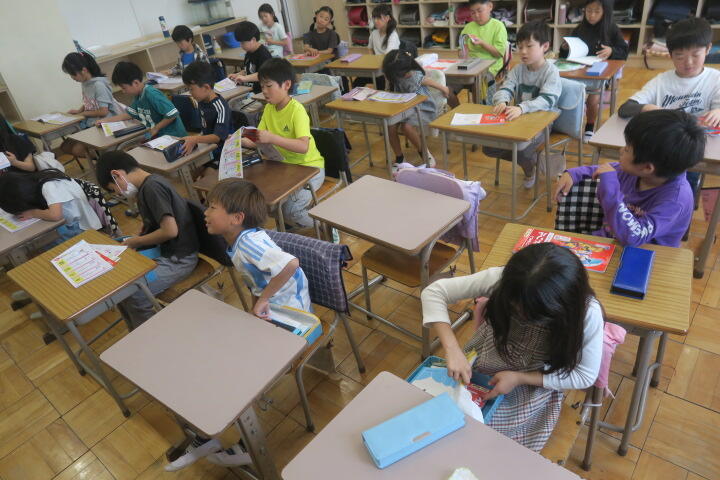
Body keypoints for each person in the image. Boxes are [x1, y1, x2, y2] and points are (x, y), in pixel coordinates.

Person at [163, 177, 312, 472]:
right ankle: (207, 436)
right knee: (216, 359)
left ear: (236, 218)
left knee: (236, 370)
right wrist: (259, 303)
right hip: (274, 315)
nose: (205, 212)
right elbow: (263, 278)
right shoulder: (239, 241)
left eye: (212, 207)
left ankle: (244, 445)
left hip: (292, 320)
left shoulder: (250, 244)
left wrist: (263, 299)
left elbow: (290, 264)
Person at [421, 243, 603, 451]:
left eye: (533, 315)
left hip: (533, 379)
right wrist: (452, 349)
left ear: (562, 306)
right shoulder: (503, 280)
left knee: (487, 441)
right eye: (516, 308)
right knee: (442, 417)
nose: (522, 315)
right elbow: (433, 292)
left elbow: (585, 376)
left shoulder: (587, 314)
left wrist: (519, 378)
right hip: (486, 354)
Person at [555, 109, 705, 248]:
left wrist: (610, 190)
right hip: (610, 241)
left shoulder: (676, 200)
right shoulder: (636, 171)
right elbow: (603, 169)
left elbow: (634, 237)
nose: (621, 150)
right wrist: (574, 173)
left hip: (647, 253)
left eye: (627, 149)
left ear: (647, 168)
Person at [95, 151, 198, 327]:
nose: (118, 194)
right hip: (167, 252)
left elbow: (170, 231)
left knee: (134, 293)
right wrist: (142, 233)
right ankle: (137, 332)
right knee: (120, 287)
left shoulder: (152, 188)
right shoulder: (147, 186)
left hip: (179, 259)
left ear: (117, 174)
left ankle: (147, 335)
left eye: (113, 189)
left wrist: (136, 241)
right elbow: (156, 221)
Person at [617, 17, 719, 193]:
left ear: (708, 49)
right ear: (670, 55)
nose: (688, 62)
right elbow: (625, 108)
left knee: (684, 189)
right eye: (680, 56)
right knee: (652, 188)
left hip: (693, 151)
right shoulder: (662, 81)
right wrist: (649, 108)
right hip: (662, 151)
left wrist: (718, 111)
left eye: (696, 55)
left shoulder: (715, 79)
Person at [241, 58, 325, 229]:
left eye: (268, 86)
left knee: (291, 210)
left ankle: (326, 226)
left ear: (286, 85)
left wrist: (272, 138)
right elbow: (258, 138)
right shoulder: (269, 108)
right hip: (284, 168)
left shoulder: (297, 110)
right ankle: (288, 225)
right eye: (262, 86)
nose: (264, 91)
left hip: (310, 169)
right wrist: (239, 140)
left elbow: (303, 147)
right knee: (266, 203)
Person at [482, 20, 561, 188]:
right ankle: (533, 160)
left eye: (529, 46)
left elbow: (547, 100)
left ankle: (529, 169)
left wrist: (521, 108)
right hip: (518, 119)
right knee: (488, 147)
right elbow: (506, 87)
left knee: (522, 149)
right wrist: (502, 100)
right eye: (520, 47)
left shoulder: (551, 72)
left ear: (545, 46)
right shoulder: (518, 69)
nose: (523, 51)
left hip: (542, 123)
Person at [559, 0, 629, 141]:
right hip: (579, 71)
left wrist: (611, 51)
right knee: (563, 91)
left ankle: (589, 127)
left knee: (593, 98)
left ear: (604, 13)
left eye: (597, 11)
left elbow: (624, 51)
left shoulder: (611, 29)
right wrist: (565, 48)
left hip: (599, 73)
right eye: (589, 11)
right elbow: (565, 56)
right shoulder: (579, 29)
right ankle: (566, 124)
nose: (592, 15)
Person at [382, 49, 452, 170]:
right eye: (404, 73)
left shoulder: (414, 74)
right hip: (404, 106)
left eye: (407, 71)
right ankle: (399, 157)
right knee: (390, 125)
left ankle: (424, 152)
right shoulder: (394, 75)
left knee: (406, 127)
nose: (408, 74)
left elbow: (427, 81)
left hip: (423, 107)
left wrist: (443, 88)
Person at [0, 169, 101, 244]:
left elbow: (55, 215)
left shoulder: (48, 186)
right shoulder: (36, 181)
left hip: (81, 226)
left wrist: (32, 213)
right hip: (71, 221)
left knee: (46, 243)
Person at [101, 61, 187, 138]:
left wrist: (156, 128)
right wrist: (105, 121)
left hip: (173, 136)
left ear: (136, 83)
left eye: (124, 88)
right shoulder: (138, 95)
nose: (123, 91)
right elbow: (129, 114)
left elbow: (172, 114)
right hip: (157, 136)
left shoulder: (152, 94)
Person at [60, 52, 120, 160]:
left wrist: (83, 114)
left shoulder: (99, 85)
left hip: (105, 124)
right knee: (65, 147)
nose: (72, 78)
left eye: (73, 74)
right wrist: (79, 110)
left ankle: (107, 158)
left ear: (84, 70)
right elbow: (90, 102)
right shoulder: (85, 83)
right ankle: (104, 157)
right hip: (91, 124)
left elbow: (103, 111)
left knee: (77, 149)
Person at [180, 61, 232, 177]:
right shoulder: (201, 101)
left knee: (208, 177)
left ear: (206, 87)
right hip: (208, 149)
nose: (190, 93)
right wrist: (195, 139)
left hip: (223, 152)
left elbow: (218, 137)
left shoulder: (220, 106)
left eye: (191, 89)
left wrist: (195, 139)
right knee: (190, 175)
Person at [459, 0, 508, 99]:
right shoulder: (468, 27)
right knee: (449, 84)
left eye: (479, 11)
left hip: (491, 67)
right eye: (473, 12)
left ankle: (481, 104)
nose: (476, 15)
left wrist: (482, 43)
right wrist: (462, 53)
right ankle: (458, 106)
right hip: (472, 65)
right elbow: (462, 49)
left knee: (478, 82)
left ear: (490, 6)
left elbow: (499, 54)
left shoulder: (498, 26)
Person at [352, 5, 399, 90]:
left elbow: (388, 56)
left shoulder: (393, 35)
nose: (376, 21)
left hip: (388, 68)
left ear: (387, 18)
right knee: (357, 82)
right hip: (377, 67)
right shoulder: (374, 33)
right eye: (374, 18)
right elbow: (370, 48)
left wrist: (377, 64)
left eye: (379, 18)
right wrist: (372, 60)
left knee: (380, 82)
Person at [228, 21, 273, 94]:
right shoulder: (249, 52)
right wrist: (238, 74)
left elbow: (265, 75)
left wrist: (245, 78)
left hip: (261, 92)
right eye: (240, 43)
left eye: (243, 43)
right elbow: (248, 70)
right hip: (250, 89)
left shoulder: (263, 54)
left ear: (253, 40)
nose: (241, 45)